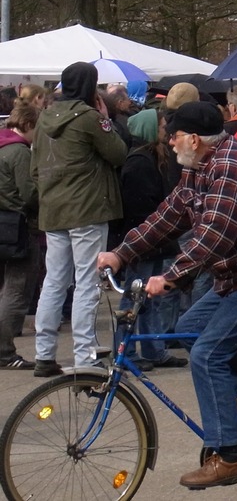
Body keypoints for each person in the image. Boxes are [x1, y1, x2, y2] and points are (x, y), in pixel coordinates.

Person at [97, 101, 237, 489]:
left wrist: (171, 277)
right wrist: (121, 253)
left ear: (193, 138)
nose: (170, 142)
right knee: (189, 328)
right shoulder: (200, 167)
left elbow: (215, 236)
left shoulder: (231, 168)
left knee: (209, 355)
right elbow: (168, 215)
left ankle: (230, 455)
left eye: (173, 135)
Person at [30, 62, 128, 374]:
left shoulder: (44, 117)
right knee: (87, 283)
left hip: (53, 209)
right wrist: (105, 119)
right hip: (87, 209)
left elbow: (35, 169)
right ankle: (85, 356)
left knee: (54, 281)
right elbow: (118, 153)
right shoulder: (88, 118)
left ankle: (43, 354)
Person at [117, 108, 187, 368]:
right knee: (133, 298)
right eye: (160, 126)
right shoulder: (139, 161)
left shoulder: (154, 158)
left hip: (154, 240)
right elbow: (141, 206)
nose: (164, 130)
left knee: (151, 297)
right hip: (144, 240)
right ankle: (127, 352)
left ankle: (153, 349)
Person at [0, 101, 39, 368]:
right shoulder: (19, 152)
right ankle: (4, 350)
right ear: (27, 125)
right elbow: (30, 194)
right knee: (15, 289)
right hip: (17, 226)